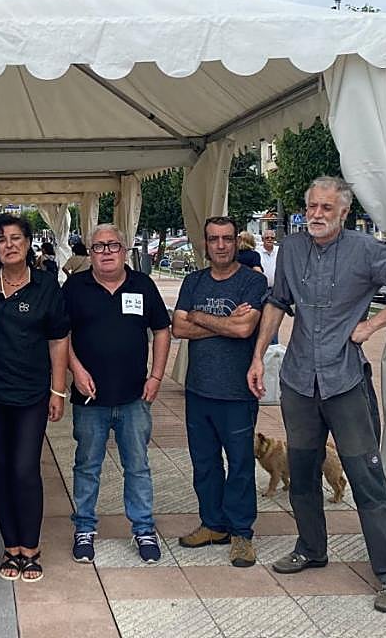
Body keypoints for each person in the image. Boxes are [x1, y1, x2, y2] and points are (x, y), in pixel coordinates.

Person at [248, 176, 386, 614]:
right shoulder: (291, 249)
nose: (316, 214)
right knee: (302, 470)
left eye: (326, 208)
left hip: (345, 380)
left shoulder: (366, 250)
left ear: (344, 212)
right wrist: (258, 356)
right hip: (298, 380)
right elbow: (277, 302)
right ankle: (311, 549)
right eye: (311, 205)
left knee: (367, 478)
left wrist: (371, 326)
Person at [63, 223, 171, 564]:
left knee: (137, 466)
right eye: (98, 247)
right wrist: (75, 369)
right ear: (89, 253)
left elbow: (162, 330)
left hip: (134, 398)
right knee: (86, 466)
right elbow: (59, 336)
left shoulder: (143, 284)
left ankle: (143, 529)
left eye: (113, 246)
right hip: (89, 399)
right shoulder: (75, 288)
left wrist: (156, 376)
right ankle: (84, 528)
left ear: (125, 250)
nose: (106, 252)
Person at [0, 214, 70, 582]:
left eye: (16, 238)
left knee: (24, 468)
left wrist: (58, 389)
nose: (9, 245)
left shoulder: (46, 286)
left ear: (29, 242)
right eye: (2, 239)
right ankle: (10, 545)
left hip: (32, 394)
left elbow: (59, 339)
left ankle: (31, 546)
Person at [172, 217, 267, 568]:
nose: (222, 245)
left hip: (237, 392)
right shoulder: (193, 280)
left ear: (236, 242)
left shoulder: (252, 281)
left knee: (241, 463)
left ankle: (241, 533)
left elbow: (244, 329)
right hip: (199, 390)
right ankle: (213, 524)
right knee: (205, 463)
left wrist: (200, 316)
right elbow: (178, 327)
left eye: (227, 239)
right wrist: (223, 325)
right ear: (205, 244)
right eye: (214, 239)